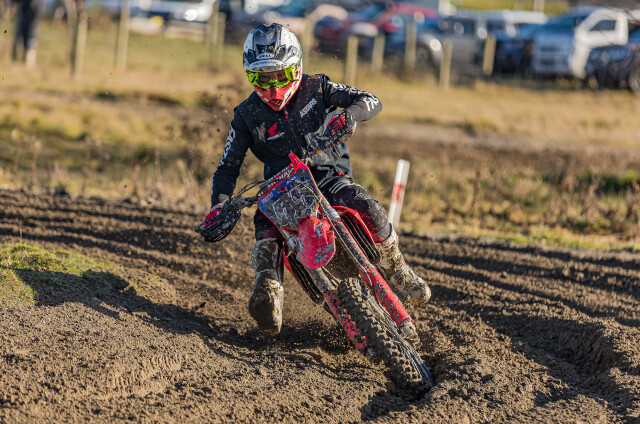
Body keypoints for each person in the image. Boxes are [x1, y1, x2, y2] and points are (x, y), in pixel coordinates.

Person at [206, 23, 430, 336]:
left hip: (327, 177)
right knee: (264, 226)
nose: (272, 88)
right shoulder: (246, 115)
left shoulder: (317, 87)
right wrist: (218, 206)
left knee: (365, 204)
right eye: (262, 79)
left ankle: (398, 268)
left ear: (296, 67)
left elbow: (370, 99)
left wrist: (350, 115)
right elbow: (227, 167)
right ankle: (268, 292)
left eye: (280, 76)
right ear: (250, 77)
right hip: (281, 190)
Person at [11, 0, 45, 68]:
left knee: (32, 35)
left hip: (34, 9)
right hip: (27, 9)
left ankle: (29, 62)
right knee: (26, 34)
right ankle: (21, 59)